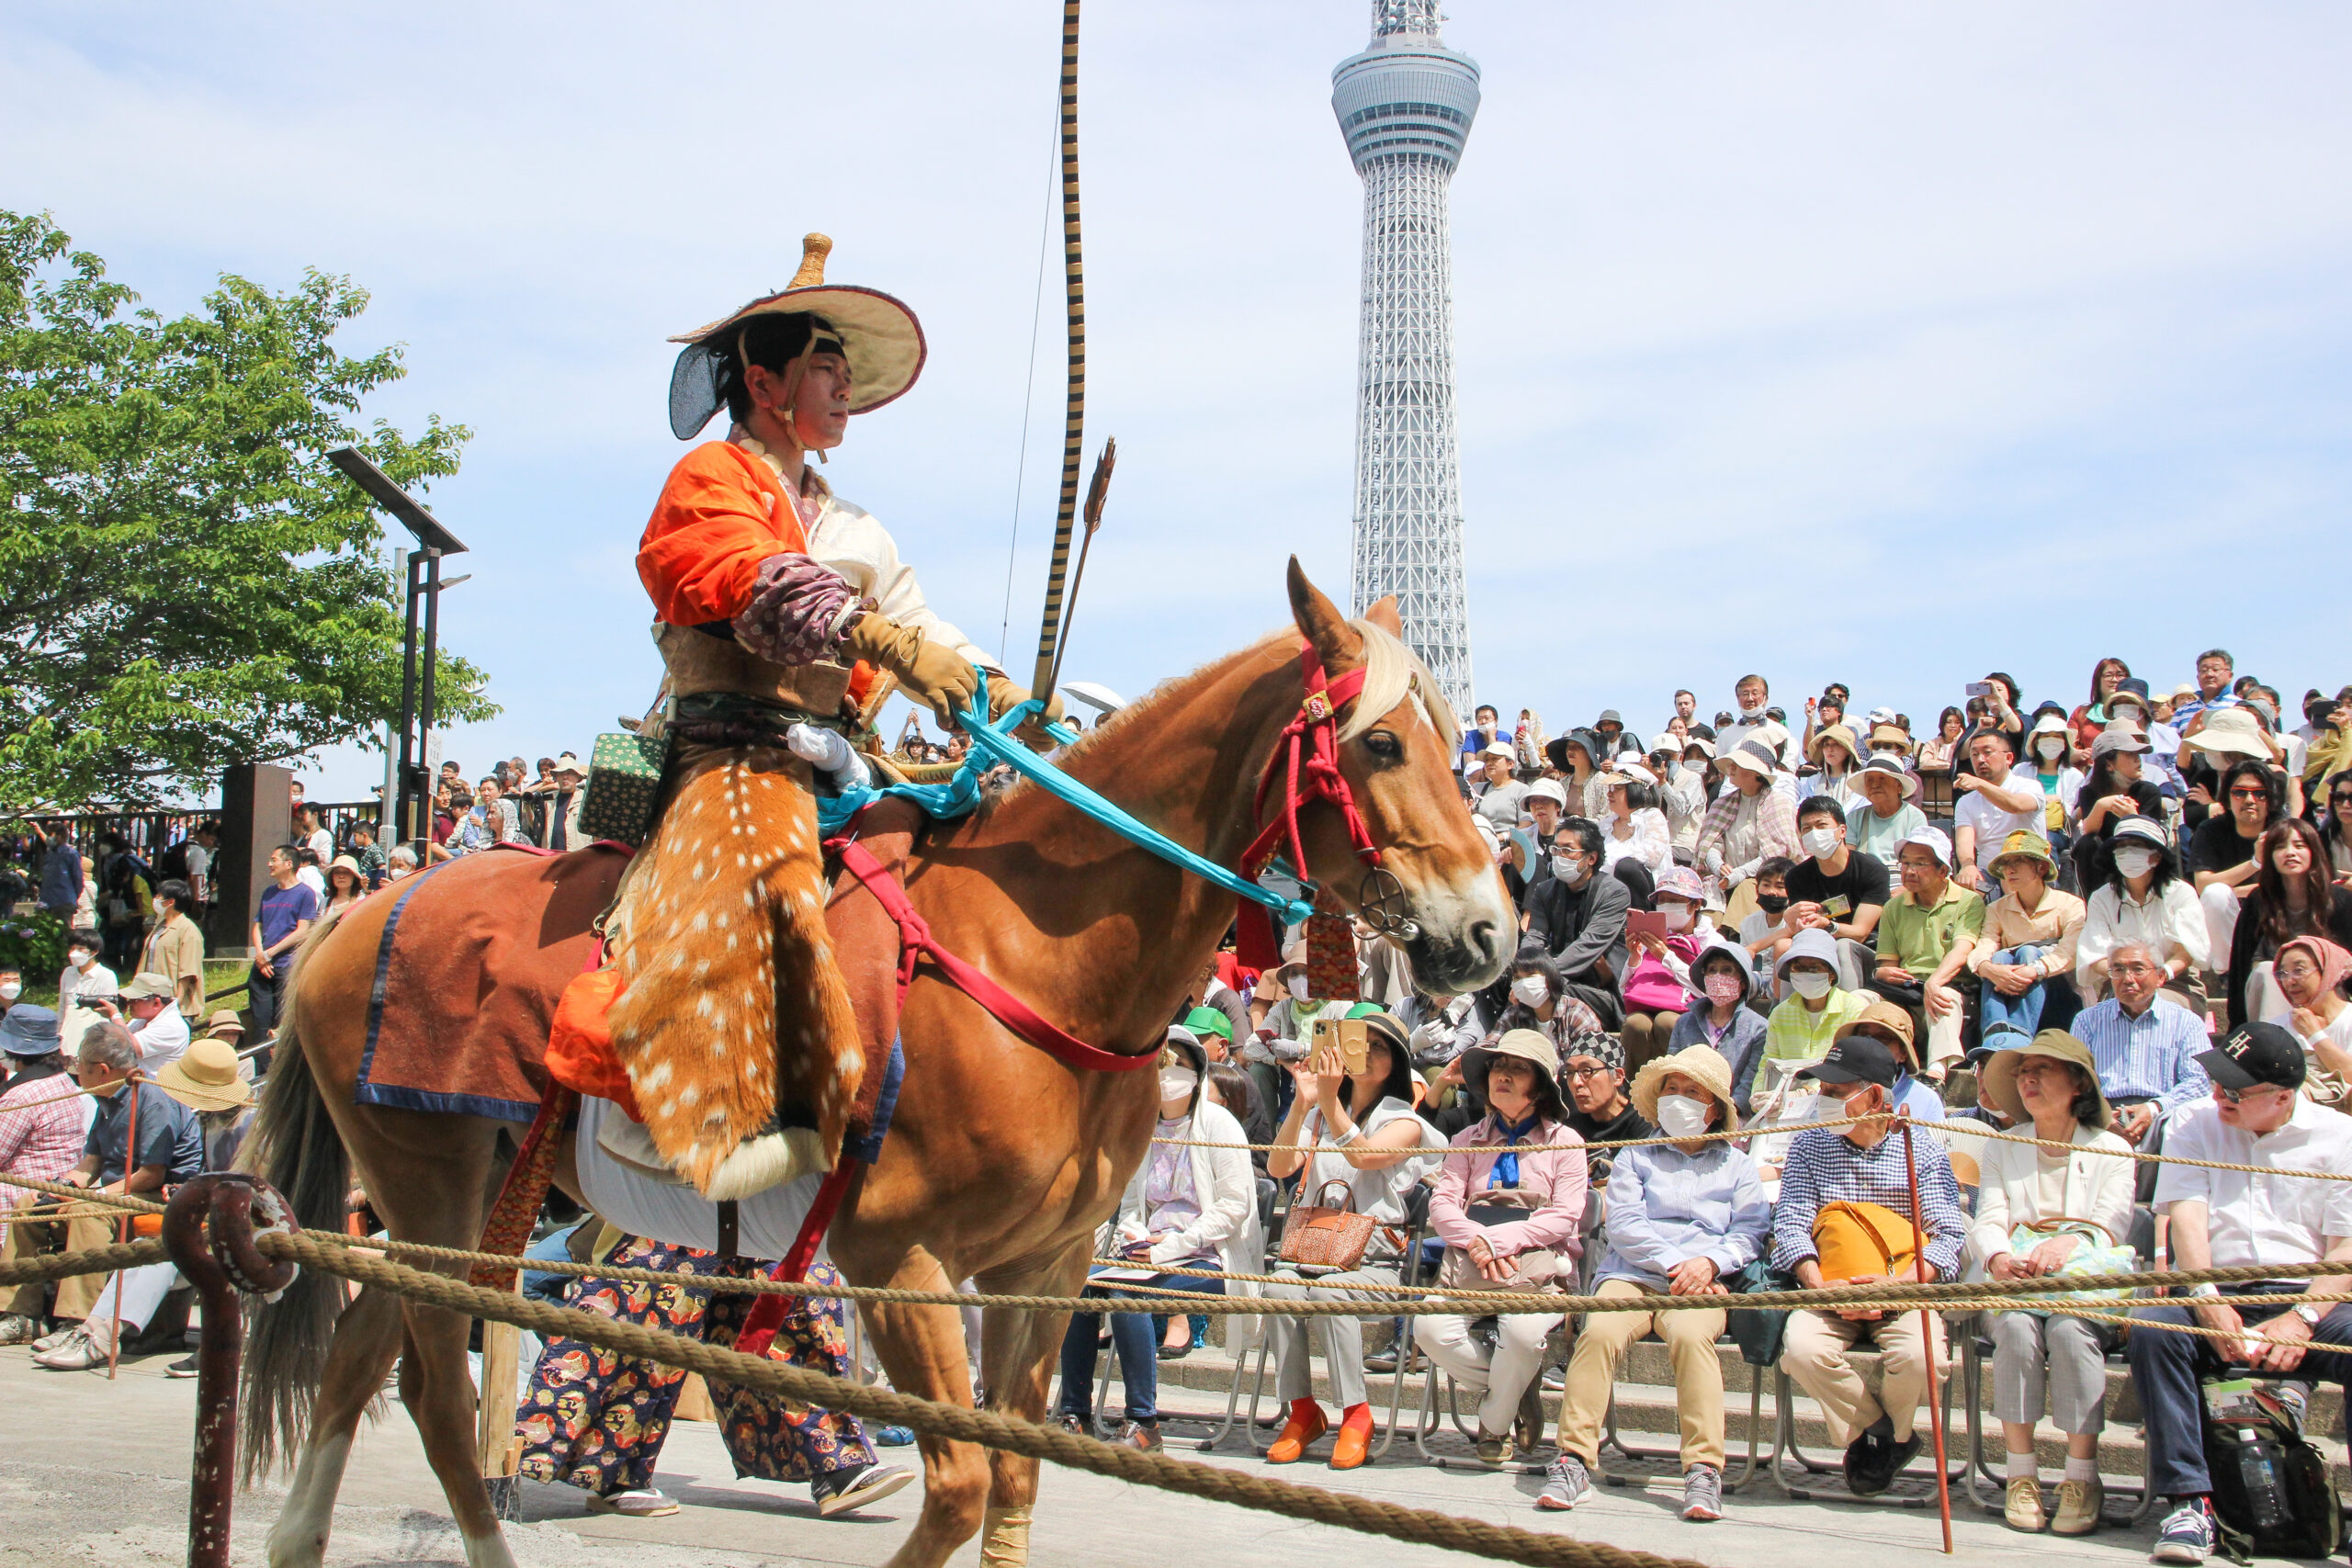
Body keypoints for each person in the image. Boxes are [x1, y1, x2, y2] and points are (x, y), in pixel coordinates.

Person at [2125, 1022, 2352, 1566]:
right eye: (2216, 1081)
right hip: (2216, 1287)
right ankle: (2189, 1502)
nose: (2218, 1096)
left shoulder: (2340, 1136)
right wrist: (2207, 1299)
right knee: (2156, 1329)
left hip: (2309, 1295)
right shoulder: (2191, 1123)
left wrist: (2302, 1317)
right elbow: (2187, 1221)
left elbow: (2345, 1249)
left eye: (2235, 1089)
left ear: (2283, 1097)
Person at [516, 1231, 911, 1519]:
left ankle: (834, 1461)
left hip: (768, 1170)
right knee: (656, 1301)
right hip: (683, 1164)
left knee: (794, 1293)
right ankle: (613, 1470)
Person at [1546, 1044, 1767, 1521]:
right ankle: (1573, 1459)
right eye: (1672, 1088)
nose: (1679, 1098)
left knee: (1691, 1339)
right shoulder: (1635, 1156)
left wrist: (1709, 1264)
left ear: (1714, 1108)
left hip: (1702, 1284)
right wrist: (1679, 1265)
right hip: (1632, 1275)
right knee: (1597, 1333)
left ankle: (1703, 1468)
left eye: (1692, 1092)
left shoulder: (1738, 1165)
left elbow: (1750, 1231)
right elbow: (1625, 1224)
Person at [1773, 1032, 1968, 1496]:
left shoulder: (1920, 1150)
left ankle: (1885, 1440)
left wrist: (1896, 1288)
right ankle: (1881, 1431)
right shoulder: (1808, 1145)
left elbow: (1949, 1236)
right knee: (1800, 1351)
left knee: (1922, 1358)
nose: (1823, 1100)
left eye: (1836, 1092)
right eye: (1821, 1090)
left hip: (1902, 1290)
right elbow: (1791, 1225)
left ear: (1875, 1097)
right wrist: (1818, 1285)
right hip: (1828, 1288)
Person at [1057, 1028, 1258, 1450]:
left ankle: (1143, 1421)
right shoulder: (1143, 1126)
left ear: (1197, 1073)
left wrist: (1170, 1247)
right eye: (1162, 1064)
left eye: (1179, 1064)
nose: (1169, 1073)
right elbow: (1132, 1203)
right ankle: (1074, 1412)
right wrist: (1137, 1235)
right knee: (1080, 1286)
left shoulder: (1219, 1123)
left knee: (1127, 1295)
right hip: (1150, 1251)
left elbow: (1234, 1207)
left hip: (1209, 1255)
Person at [1969, 1031, 2135, 1534]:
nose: (2029, 1080)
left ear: (2078, 1083)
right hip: (2016, 1284)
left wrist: (2071, 1241)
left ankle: (2082, 1475)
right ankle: (2020, 1473)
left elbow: (2112, 1224)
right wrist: (1998, 1256)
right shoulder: (2003, 1145)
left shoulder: (2112, 1148)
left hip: (2082, 1285)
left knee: (2069, 1331)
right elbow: (1989, 1217)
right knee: (2017, 1329)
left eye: (2042, 1070)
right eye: (2023, 1072)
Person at [1261, 1011, 1437, 1471]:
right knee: (1279, 1288)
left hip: (1375, 1264)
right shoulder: (1319, 1111)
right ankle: (1302, 1410)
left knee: (1330, 1293)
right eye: (1360, 1042)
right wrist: (1302, 1105)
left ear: (1396, 1063)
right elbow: (1279, 1168)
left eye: (1379, 1047)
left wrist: (1327, 1100)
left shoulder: (1405, 1121)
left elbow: (1363, 1156)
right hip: (1310, 1251)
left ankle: (1357, 1413)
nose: (1366, 1053)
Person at [1414, 1030, 1587, 1466]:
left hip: (1537, 1273)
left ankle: (1493, 1422)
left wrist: (1499, 1241)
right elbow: (1442, 1204)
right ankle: (1515, 1390)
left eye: (1517, 1068)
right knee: (1428, 1329)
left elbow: (1566, 1214)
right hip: (1469, 1268)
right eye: (1497, 1067)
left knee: (1523, 1336)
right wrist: (1477, 1241)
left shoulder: (1566, 1143)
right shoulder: (1466, 1140)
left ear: (1540, 1087)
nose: (1502, 1076)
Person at [16, 1024, 203, 1370]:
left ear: (102, 1069)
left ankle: (77, 1320)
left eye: (81, 1066)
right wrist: (62, 1188)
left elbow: (151, 1173)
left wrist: (93, 1196)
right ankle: (21, 1314)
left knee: (89, 1211)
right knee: (28, 1205)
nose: (76, 1073)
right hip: (119, 1191)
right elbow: (90, 1163)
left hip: (158, 1196)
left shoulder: (150, 1099)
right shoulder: (106, 1101)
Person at [0, 1007, 88, 1346]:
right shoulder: (63, 1081)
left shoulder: (23, 1094)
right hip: (56, 1182)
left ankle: (18, 1315)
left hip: (21, 1190)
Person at [1870, 828, 1985, 1081]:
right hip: (1906, 992)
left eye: (1920, 864)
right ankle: (1860, 1065)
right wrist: (1884, 972)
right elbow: (1888, 963)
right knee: (1860, 998)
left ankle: (1936, 1074)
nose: (1909, 871)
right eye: (1905, 863)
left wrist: (1934, 982)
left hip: (1951, 986)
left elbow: (1962, 950)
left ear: (1943, 870)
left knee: (1943, 998)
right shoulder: (1893, 907)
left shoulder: (1968, 902)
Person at [2225, 818, 2352, 1030]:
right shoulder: (2258, 901)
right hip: (2274, 998)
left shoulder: (2340, 901)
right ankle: (2271, 1046)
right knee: (2266, 971)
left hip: (2328, 999)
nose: (2290, 853)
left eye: (2299, 845)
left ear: (2313, 851)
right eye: (2280, 847)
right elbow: (2241, 968)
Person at [2075, 818, 2209, 1009]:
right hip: (2121, 987)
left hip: (2176, 983)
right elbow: (2095, 956)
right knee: (2115, 1010)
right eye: (2121, 846)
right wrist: (2127, 977)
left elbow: (2186, 952)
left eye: (2136, 845)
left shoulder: (2181, 893)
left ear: (2156, 856)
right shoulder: (2101, 898)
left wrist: (2159, 975)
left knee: (2151, 1004)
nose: (2127, 852)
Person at [1970, 832, 2087, 1049]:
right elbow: (1985, 943)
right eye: (2006, 864)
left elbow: (2070, 952)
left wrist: (2033, 970)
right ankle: (1995, 1032)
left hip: (2060, 995)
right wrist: (1989, 969)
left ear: (2040, 868)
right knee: (1998, 957)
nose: (2009, 870)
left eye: (2018, 862)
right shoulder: (1997, 908)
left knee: (2028, 953)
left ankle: (2017, 1034)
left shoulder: (2070, 904)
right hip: (2009, 989)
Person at [1521, 818, 1630, 1028]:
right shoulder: (1544, 890)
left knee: (1545, 989)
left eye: (1567, 850)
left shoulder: (1614, 893)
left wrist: (1541, 975)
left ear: (1591, 858)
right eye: (1556, 850)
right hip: (1553, 977)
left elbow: (1589, 944)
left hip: (1598, 991)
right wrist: (1524, 968)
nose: (1559, 856)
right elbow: (1535, 935)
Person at [1785, 795, 1891, 987]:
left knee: (1843, 946)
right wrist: (1793, 920)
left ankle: (1850, 1005)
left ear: (1842, 831)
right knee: (1786, 947)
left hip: (1866, 949)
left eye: (1821, 825)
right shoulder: (1796, 877)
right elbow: (1804, 928)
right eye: (1807, 829)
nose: (1814, 833)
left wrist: (1828, 926)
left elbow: (1861, 933)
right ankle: (1783, 1006)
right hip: (1819, 946)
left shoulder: (1872, 871)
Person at [1761, 928, 1874, 1096]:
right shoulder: (1780, 1014)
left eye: (1814, 968)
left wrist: (1808, 1092)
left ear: (1831, 973)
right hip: (1784, 1102)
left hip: (1835, 1100)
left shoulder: (1854, 1011)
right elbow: (1767, 1062)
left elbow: (1854, 1067)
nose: (1805, 974)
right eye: (1798, 968)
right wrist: (1759, 1096)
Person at [2189, 757, 2278, 973]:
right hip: (2231, 918)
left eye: (2259, 793)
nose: (2250, 800)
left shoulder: (2283, 831)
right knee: (2216, 895)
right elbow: (2204, 886)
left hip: (2273, 916)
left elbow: (2290, 887)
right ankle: (2227, 973)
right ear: (2227, 799)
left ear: (2271, 799)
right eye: (2239, 792)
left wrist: (2240, 891)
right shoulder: (2210, 830)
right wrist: (2255, 863)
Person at [1667, 940, 1770, 1117]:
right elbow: (1672, 1069)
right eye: (1712, 970)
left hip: (1734, 1117)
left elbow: (1750, 1080)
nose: (1718, 976)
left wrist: (1723, 1114)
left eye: (1727, 970)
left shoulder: (1758, 1028)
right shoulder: (1685, 1023)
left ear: (1743, 982)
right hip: (1686, 1112)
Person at [1693, 739, 1800, 910]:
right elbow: (1711, 844)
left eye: (1738, 765)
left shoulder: (1780, 805)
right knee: (1710, 897)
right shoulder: (1721, 804)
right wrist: (1718, 865)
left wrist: (1741, 873)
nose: (1731, 769)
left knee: (1746, 889)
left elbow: (1776, 853)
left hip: (1761, 882)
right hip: (1721, 880)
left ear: (1757, 773)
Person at [1618, 864, 1705, 1070]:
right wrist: (1634, 957)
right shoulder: (1652, 934)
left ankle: (1680, 1080)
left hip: (1689, 1012)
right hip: (1646, 1006)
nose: (1667, 905)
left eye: (1675, 900)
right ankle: (1633, 1086)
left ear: (1695, 904)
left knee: (1667, 1022)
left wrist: (1666, 957)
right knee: (1635, 1025)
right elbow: (1624, 989)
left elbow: (1707, 990)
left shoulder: (1710, 940)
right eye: (1662, 900)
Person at [2069, 727, 2165, 892]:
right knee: (2086, 843)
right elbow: (2089, 831)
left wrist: (2132, 818)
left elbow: (2153, 841)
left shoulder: (2149, 792)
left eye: (2138, 754)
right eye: (2130, 754)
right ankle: (2094, 901)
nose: (2138, 760)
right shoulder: (2089, 792)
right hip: (2104, 863)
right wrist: (2101, 806)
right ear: (2109, 764)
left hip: (2140, 859)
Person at [1953, 729, 2046, 894]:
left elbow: (2016, 805)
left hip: (2029, 869)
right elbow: (1964, 840)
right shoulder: (1966, 801)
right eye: (1974, 754)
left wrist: (1980, 785)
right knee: (1966, 887)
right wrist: (1967, 865)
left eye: (1987, 752)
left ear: (2008, 758)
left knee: (2015, 885)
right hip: (1989, 873)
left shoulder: (2029, 786)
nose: (1980, 759)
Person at [1559, 1032, 1654, 1189]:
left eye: (1587, 1071)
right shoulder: (1570, 1128)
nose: (1576, 1083)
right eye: (1570, 1073)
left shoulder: (1644, 1122)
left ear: (1618, 1076)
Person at [249, 845, 318, 1050]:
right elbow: (257, 926)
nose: (269, 864)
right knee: (260, 1023)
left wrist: (270, 953)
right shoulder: (269, 892)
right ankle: (261, 1063)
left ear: (289, 864)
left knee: (282, 1022)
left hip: (286, 965)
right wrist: (260, 955)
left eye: (274, 860)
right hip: (262, 966)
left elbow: (302, 931)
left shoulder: (305, 893)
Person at [2273, 937, 2352, 1109]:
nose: (2289, 981)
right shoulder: (2277, 1027)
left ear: (2327, 971)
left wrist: (2314, 1035)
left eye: (2299, 970)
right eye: (2283, 973)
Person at [139, 879, 206, 1022]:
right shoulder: (159, 927)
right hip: (153, 1004)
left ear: (171, 902)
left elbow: (188, 973)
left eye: (159, 896)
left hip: (176, 1009)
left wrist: (175, 1004)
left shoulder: (188, 930)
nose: (155, 899)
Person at [1845, 755, 1927, 872]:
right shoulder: (1854, 817)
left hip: (1902, 876)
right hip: (1865, 876)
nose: (1875, 785)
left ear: (1899, 786)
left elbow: (1917, 862)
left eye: (1882, 779)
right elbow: (1848, 861)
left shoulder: (1914, 817)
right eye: (1869, 780)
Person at [99, 972, 191, 1075]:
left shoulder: (172, 1026)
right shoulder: (143, 1019)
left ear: (156, 1003)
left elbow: (129, 1047)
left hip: (156, 1084)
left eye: (135, 1000)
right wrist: (113, 1018)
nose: (129, 1003)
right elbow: (114, 1044)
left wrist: (115, 1015)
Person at [56, 929, 118, 1056]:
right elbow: (62, 1006)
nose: (74, 953)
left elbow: (108, 1012)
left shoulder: (106, 976)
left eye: (80, 949)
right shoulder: (68, 973)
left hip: (92, 1036)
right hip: (68, 1032)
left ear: (94, 951)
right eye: (72, 949)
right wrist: (58, 1033)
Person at [2069, 657, 2134, 757]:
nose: (2114, 680)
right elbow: (2067, 747)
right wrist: (2078, 754)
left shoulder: (2137, 712)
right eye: (2108, 675)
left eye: (2120, 675)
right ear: (2098, 681)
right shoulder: (2081, 713)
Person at [1799, 723, 1862, 809]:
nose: (1830, 749)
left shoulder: (1858, 780)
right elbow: (1803, 807)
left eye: (1836, 744)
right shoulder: (1813, 781)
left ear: (1848, 750)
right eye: (1826, 745)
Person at [38, 827, 83, 919]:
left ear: (59, 836)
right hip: (47, 902)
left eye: (50, 835)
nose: (48, 838)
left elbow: (78, 878)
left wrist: (72, 897)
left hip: (63, 902)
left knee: (64, 927)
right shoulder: (50, 854)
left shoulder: (70, 854)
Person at [1917, 706, 1967, 774]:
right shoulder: (1932, 744)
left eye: (1957, 722)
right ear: (1943, 724)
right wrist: (1949, 765)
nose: (1953, 726)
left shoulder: (1966, 744)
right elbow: (1924, 764)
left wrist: (1958, 740)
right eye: (1949, 722)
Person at [321, 854, 368, 919]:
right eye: (337, 872)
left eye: (346, 872)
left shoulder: (363, 901)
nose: (341, 876)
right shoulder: (324, 903)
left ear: (354, 877)